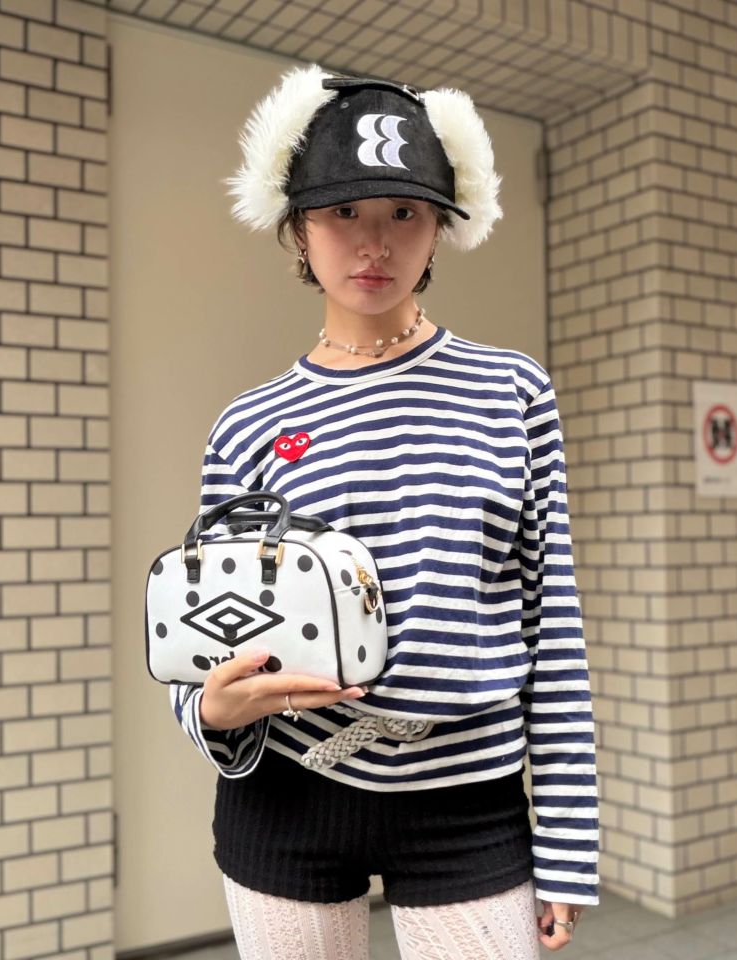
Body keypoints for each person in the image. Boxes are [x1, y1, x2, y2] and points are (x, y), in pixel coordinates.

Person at [169, 63, 600, 960]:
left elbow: (551, 624)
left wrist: (567, 842)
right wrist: (207, 712)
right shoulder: (247, 425)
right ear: (297, 225)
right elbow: (200, 636)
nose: (373, 242)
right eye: (342, 211)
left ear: (442, 223)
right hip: (286, 793)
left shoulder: (511, 392)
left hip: (467, 802)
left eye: (403, 211)